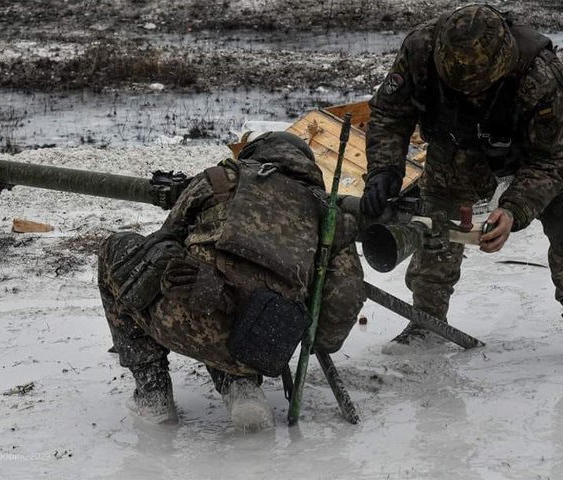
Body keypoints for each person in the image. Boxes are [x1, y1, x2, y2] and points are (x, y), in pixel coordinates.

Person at [98, 132, 366, 430]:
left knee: (118, 248)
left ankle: (153, 392)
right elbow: (345, 299)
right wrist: (315, 340)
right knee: (250, 296)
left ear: (253, 153)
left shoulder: (219, 178)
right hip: (263, 346)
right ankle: (242, 386)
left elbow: (164, 242)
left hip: (184, 319)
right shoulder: (331, 218)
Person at [361, 4, 563, 350]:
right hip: (456, 147)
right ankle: (427, 323)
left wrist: (513, 209)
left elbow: (552, 160)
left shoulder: (540, 76)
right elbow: (389, 114)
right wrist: (384, 168)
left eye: (479, 91)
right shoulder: (420, 51)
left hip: (531, 151)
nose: (470, 98)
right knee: (436, 222)